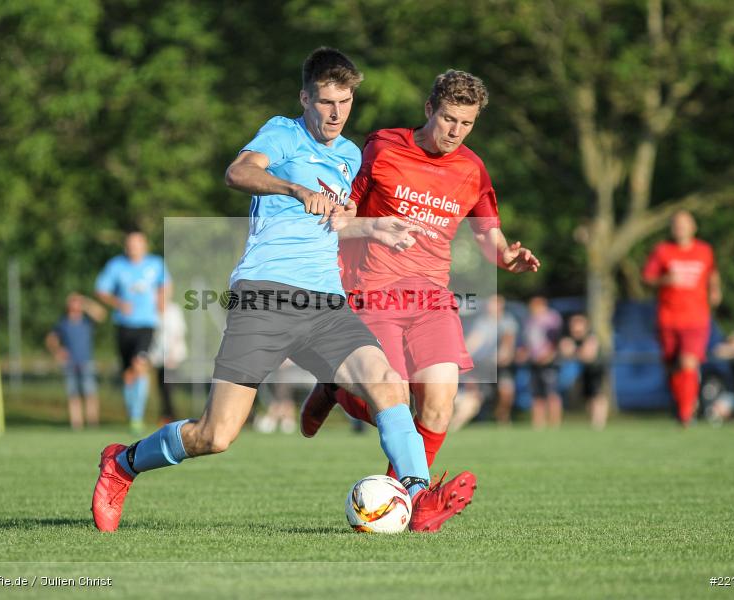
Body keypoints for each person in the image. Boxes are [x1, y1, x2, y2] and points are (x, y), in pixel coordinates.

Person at [91, 48, 476, 534]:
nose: (336, 113)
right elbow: (238, 172)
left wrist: (372, 228)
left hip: (325, 302)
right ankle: (122, 463)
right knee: (216, 435)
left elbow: (332, 224)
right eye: (325, 101)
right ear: (305, 98)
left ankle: (418, 496)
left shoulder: (351, 155)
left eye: (346, 101)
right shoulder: (283, 133)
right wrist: (293, 189)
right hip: (267, 295)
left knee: (389, 385)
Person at [299, 70, 539, 477]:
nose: (455, 131)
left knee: (440, 404)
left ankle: (407, 498)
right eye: (448, 119)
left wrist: (506, 256)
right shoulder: (383, 147)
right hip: (372, 290)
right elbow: (345, 211)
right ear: (430, 109)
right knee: (391, 403)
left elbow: (488, 235)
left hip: (431, 296)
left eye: (466, 124)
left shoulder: (473, 170)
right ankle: (337, 388)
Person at [642, 210, 721, 426]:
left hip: (696, 318)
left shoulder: (704, 251)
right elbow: (647, 278)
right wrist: (665, 279)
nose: (680, 228)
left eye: (685, 224)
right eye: (676, 224)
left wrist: (715, 290)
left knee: (689, 362)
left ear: (693, 227)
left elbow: (712, 273)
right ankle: (681, 405)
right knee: (672, 367)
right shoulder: (662, 251)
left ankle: (686, 413)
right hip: (668, 318)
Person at [95, 230, 172, 435]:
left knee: (140, 365)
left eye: (137, 244)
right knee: (128, 374)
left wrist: (162, 302)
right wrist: (119, 303)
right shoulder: (116, 265)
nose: (133, 248)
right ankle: (132, 413)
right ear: (126, 246)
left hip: (147, 324)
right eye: (130, 244)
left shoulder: (155, 264)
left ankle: (137, 417)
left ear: (145, 245)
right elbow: (101, 290)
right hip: (124, 325)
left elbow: (166, 285)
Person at [450, 294, 519, 429]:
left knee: (506, 391)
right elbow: (475, 340)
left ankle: (503, 418)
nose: (491, 307)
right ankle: (456, 424)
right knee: (475, 396)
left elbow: (508, 340)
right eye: (490, 303)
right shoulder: (483, 321)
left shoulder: (508, 321)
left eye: (495, 304)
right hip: (483, 365)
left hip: (501, 365)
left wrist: (504, 353)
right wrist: (463, 354)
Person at [46, 293, 106, 430]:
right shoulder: (63, 323)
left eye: (77, 302)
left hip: (87, 361)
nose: (75, 305)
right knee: (73, 395)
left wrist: (85, 303)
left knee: (90, 394)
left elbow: (101, 314)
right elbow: (51, 339)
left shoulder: (87, 321)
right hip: (70, 363)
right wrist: (58, 351)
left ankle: (93, 424)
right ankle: (76, 425)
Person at [558, 313, 608, 429]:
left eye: (578, 323)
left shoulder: (591, 337)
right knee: (588, 397)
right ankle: (593, 421)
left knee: (597, 394)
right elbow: (565, 351)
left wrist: (574, 351)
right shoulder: (569, 337)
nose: (575, 327)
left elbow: (588, 356)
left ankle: (599, 423)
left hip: (596, 369)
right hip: (583, 370)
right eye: (573, 324)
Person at [523, 296, 563, 429]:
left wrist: (549, 355)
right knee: (536, 394)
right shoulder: (530, 320)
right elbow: (528, 341)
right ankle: (538, 423)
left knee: (551, 392)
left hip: (549, 361)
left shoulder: (552, 319)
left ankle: (554, 423)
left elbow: (556, 339)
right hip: (534, 361)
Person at [149, 299, 187, 424]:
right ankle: (167, 415)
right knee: (161, 388)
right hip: (158, 358)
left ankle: (170, 416)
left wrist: (172, 354)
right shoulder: (152, 310)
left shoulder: (174, 310)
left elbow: (178, 333)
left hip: (172, 357)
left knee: (168, 389)